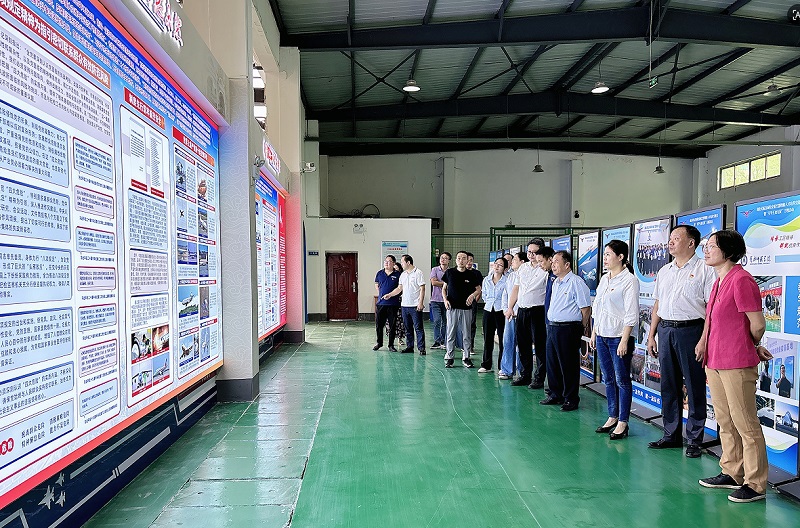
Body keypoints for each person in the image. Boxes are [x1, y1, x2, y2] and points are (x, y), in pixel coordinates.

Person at [697, 230, 771, 503]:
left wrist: (749, 344)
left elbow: (758, 324)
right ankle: (732, 471)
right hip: (715, 360)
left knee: (746, 423)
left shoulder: (741, 280)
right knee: (725, 420)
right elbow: (713, 320)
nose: (706, 250)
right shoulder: (719, 280)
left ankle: (756, 483)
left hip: (736, 361)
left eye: (711, 246)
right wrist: (703, 342)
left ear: (728, 251)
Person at [646, 225, 716, 458]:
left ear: (691, 243)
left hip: (691, 330)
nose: (671, 242)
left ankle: (694, 439)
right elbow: (658, 304)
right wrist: (651, 335)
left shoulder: (705, 269)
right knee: (669, 385)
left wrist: (704, 339)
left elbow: (711, 309)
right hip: (665, 330)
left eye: (676, 238)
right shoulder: (664, 270)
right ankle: (671, 434)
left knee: (694, 386)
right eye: (670, 238)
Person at [589, 240, 639, 439]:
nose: (605, 258)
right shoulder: (604, 279)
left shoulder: (629, 280)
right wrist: (594, 333)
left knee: (622, 380)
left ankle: (623, 422)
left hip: (618, 337)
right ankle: (612, 416)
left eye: (608, 254)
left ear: (621, 257)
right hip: (602, 335)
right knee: (608, 379)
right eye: (604, 254)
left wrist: (625, 340)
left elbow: (631, 313)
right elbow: (598, 309)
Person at [540, 251, 591, 411]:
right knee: (552, 363)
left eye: (556, 261)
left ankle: (571, 398)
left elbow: (585, 309)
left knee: (568, 365)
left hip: (568, 328)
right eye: (552, 261)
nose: (553, 264)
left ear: (567, 264)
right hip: (553, 327)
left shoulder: (576, 282)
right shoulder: (556, 282)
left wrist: (580, 328)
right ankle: (555, 394)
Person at [505, 238, 548, 388]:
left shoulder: (545, 270)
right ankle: (525, 375)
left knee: (540, 346)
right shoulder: (523, 268)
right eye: (529, 251)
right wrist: (510, 307)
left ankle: (539, 378)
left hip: (538, 311)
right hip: (522, 310)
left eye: (534, 252)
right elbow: (516, 288)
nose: (531, 255)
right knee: (523, 344)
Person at [442, 251, 482, 368]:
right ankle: (450, 357)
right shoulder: (450, 273)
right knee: (451, 333)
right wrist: (445, 300)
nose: (461, 260)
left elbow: (478, 289)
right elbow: (444, 289)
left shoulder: (471, 274)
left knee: (466, 333)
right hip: (452, 308)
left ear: (467, 260)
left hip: (466, 308)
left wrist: (472, 295)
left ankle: (466, 357)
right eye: (459, 258)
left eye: (464, 258)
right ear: (456, 260)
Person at [383, 255, 427, 355]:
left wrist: (420, 302)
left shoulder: (418, 273)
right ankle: (410, 347)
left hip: (415, 305)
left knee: (418, 327)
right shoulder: (403, 275)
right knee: (407, 328)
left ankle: (421, 348)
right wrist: (390, 295)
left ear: (408, 263)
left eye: (402, 262)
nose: (401, 264)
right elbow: (399, 288)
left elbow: (422, 288)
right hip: (404, 305)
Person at [478, 257, 507, 373]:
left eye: (500, 265)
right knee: (488, 338)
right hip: (488, 310)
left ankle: (502, 366)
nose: (497, 266)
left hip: (501, 311)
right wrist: (490, 302)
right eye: (496, 264)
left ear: (505, 269)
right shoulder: (486, 280)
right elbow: (484, 295)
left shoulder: (506, 280)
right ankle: (486, 365)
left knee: (502, 338)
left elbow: (507, 295)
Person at [499, 251, 525, 380]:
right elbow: (505, 294)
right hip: (509, 315)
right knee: (508, 342)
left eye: (515, 259)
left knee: (522, 344)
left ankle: (522, 371)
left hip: (521, 314)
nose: (512, 262)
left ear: (522, 262)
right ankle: (507, 370)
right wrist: (506, 309)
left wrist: (517, 310)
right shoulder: (511, 276)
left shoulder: (526, 276)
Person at [374, 255, 401, 351]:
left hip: (393, 304)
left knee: (392, 325)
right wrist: (381, 292)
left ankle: (391, 345)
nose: (386, 263)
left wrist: (391, 294)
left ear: (393, 263)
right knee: (379, 325)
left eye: (389, 261)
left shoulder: (398, 274)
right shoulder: (380, 273)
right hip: (381, 303)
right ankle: (379, 343)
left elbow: (400, 288)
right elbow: (376, 284)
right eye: (385, 261)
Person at [430, 252, 451, 349]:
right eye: (442, 257)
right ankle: (437, 341)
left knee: (446, 322)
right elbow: (433, 283)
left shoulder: (451, 271)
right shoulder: (434, 269)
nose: (443, 259)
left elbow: (453, 284)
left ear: (449, 260)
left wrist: (441, 283)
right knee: (437, 320)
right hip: (435, 300)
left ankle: (443, 340)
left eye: (445, 258)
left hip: (447, 300)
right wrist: (446, 284)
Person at [466, 252, 483, 351]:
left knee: (472, 323)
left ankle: (470, 345)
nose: (469, 262)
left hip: (473, 302)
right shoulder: (459, 272)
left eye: (471, 260)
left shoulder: (477, 273)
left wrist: (475, 300)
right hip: (460, 302)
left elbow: (480, 288)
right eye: (467, 260)